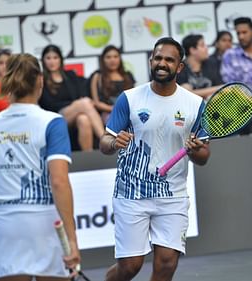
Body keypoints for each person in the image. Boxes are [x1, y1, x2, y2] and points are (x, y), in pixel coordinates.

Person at [99, 37, 210, 281]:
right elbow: (104, 142)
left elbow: (203, 157)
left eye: (169, 60)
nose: (162, 63)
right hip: (131, 193)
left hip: (173, 195)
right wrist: (114, 143)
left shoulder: (195, 104)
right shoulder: (129, 98)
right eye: (158, 58)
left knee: (167, 264)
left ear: (180, 67)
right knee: (130, 267)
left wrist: (195, 149)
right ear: (151, 61)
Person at [0, 53, 80, 281]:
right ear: (40, 81)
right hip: (45, 224)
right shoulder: (52, 122)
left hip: (6, 224)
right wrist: (72, 240)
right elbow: (59, 181)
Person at [39, 45, 104, 151]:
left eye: (55, 58)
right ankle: (105, 139)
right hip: (54, 119)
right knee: (84, 103)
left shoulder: (70, 75)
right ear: (43, 60)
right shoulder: (41, 80)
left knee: (83, 119)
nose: (52, 61)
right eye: (48, 58)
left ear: (60, 59)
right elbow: (48, 104)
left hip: (73, 114)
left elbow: (78, 95)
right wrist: (74, 105)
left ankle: (89, 156)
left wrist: (76, 106)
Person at [89, 45, 135, 123]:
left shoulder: (128, 76)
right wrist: (114, 109)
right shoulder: (97, 76)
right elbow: (96, 102)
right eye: (108, 57)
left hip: (129, 111)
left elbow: (134, 98)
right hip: (108, 113)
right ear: (103, 60)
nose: (112, 60)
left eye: (115, 56)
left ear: (120, 58)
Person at [177, 34, 223, 99]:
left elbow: (222, 89)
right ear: (192, 50)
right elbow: (187, 94)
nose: (206, 48)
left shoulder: (212, 63)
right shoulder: (181, 68)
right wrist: (216, 89)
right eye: (202, 45)